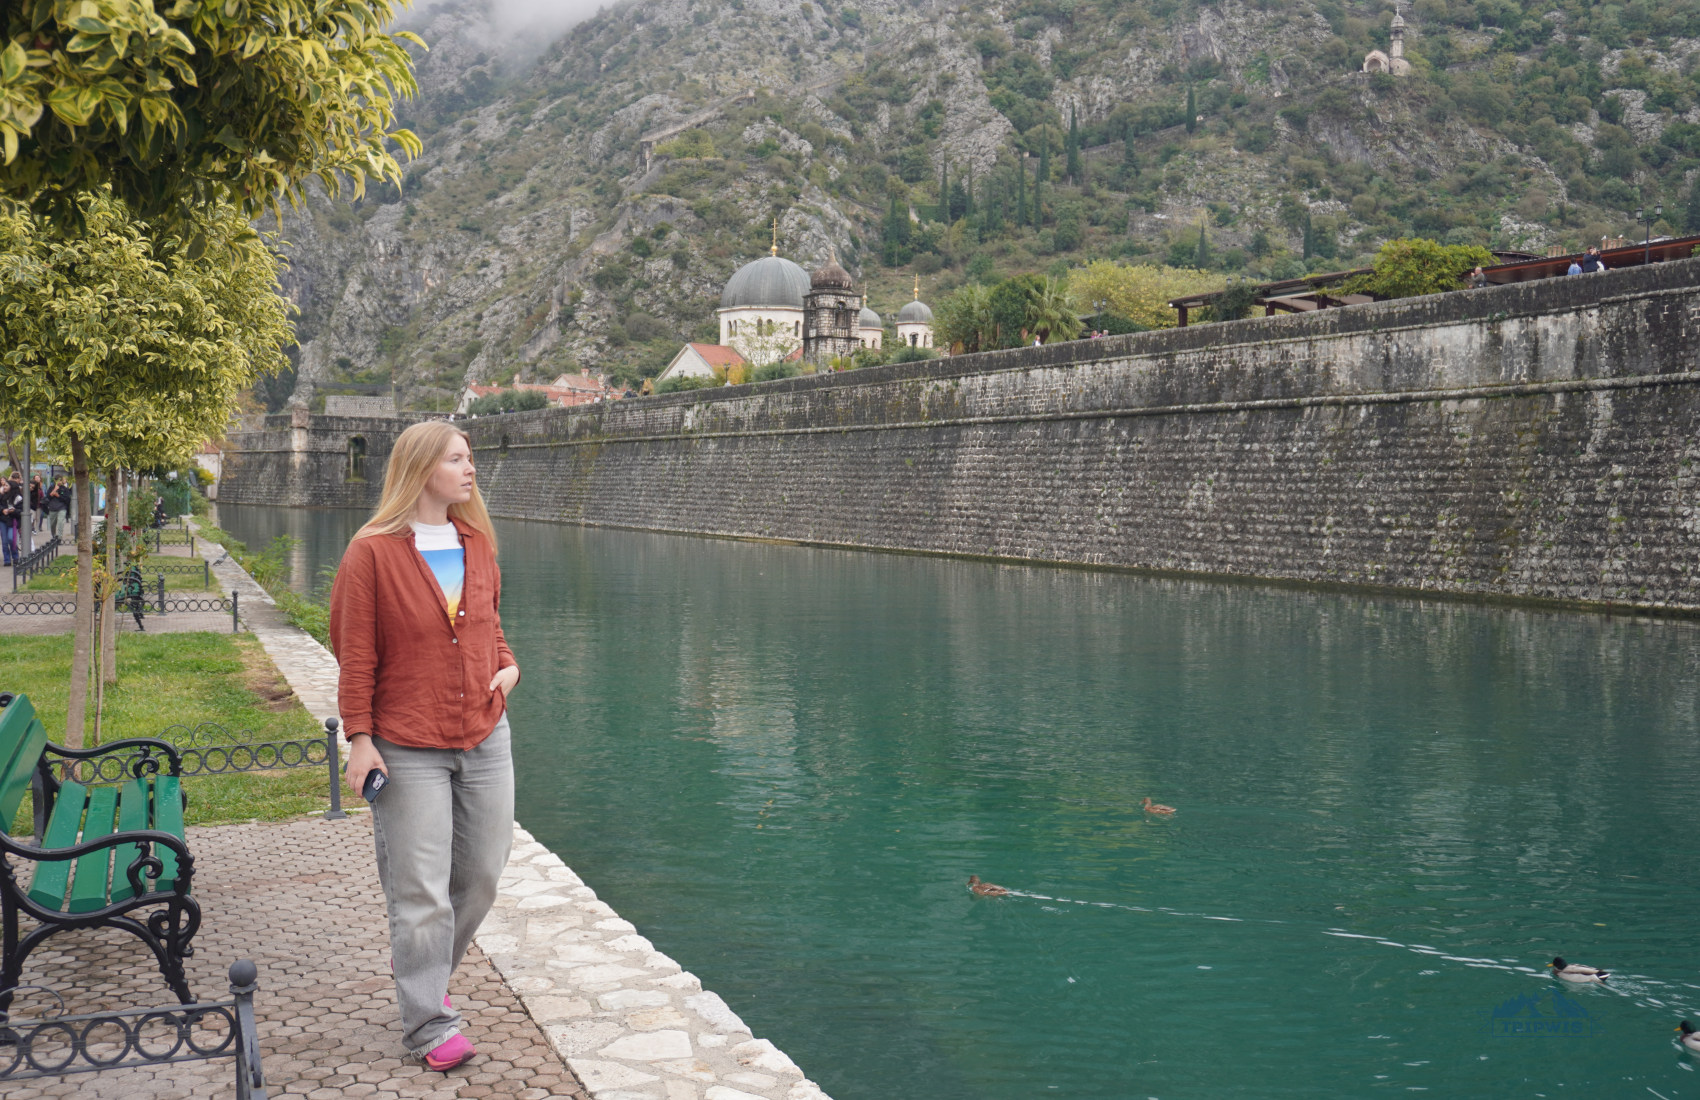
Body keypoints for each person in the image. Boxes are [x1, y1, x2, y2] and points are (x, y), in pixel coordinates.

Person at [329, 420, 520, 1073]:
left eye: (470, 459)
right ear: (420, 468)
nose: (470, 470)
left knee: (482, 873)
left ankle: (419, 961)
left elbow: (489, 623)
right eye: (457, 459)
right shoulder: (372, 552)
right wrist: (359, 738)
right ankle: (429, 1023)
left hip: (484, 728)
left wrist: (508, 664)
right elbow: (355, 655)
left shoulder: (477, 542)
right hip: (406, 738)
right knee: (420, 892)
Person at [0, 472, 23, 566]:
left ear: (12, 487)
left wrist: (13, 511)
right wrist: (2, 510)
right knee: (4, 541)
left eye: (6, 485)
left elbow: (21, 511)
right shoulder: (2, 496)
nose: (4, 487)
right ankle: (7, 560)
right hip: (3, 520)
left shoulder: (18, 498)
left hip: (12, 521)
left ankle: (15, 556)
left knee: (11, 539)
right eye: (4, 485)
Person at [43, 476, 70, 541]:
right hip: (52, 508)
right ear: (55, 481)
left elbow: (67, 499)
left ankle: (59, 537)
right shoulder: (51, 488)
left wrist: (58, 496)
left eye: (61, 480)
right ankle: (54, 535)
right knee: (52, 524)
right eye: (58, 480)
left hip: (62, 508)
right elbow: (48, 497)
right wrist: (55, 489)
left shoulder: (65, 489)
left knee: (61, 522)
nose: (59, 482)